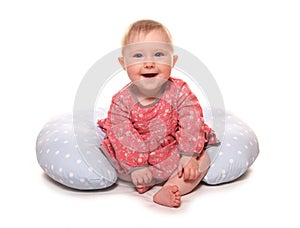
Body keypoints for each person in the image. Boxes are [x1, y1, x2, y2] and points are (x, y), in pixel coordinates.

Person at [98, 19, 219, 207]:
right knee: (112, 150)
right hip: (136, 161)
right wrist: (136, 166)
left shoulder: (179, 91)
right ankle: (141, 176)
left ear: (173, 60)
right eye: (138, 55)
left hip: (173, 152)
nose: (149, 63)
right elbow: (122, 135)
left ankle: (171, 188)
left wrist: (188, 155)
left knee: (203, 159)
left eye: (159, 54)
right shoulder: (121, 101)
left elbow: (192, 120)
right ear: (123, 63)